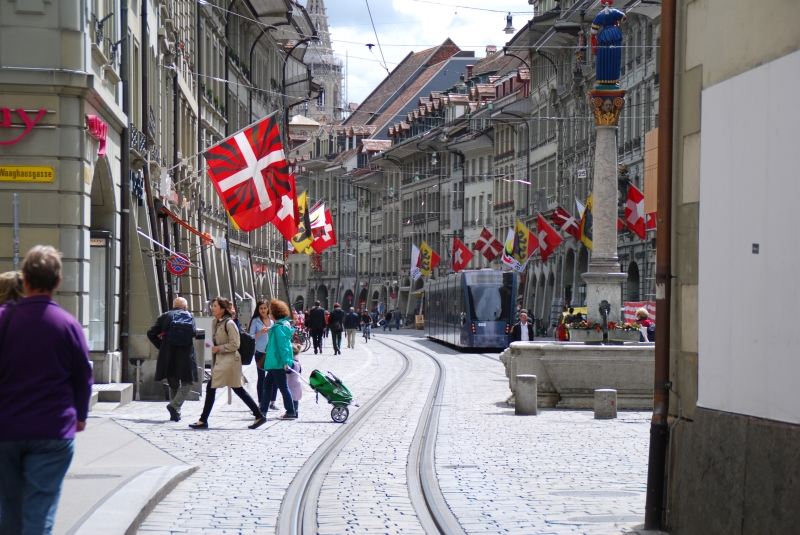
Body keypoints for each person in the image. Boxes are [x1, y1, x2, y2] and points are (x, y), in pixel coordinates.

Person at [0, 246, 93, 535]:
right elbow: (83, 376)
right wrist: (79, 415)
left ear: (25, 278)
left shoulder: (4, 319)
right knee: (38, 513)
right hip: (53, 428)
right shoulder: (68, 324)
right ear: (58, 282)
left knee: (11, 513)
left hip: (6, 429)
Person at [190, 297, 265, 430]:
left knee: (215, 387)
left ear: (223, 309)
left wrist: (218, 348)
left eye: (215, 306)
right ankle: (259, 415)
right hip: (222, 360)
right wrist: (212, 345)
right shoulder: (216, 322)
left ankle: (203, 420)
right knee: (237, 389)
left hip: (230, 361)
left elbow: (235, 344)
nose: (212, 308)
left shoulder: (229, 324)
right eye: (212, 306)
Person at [147, 296, 199, 422]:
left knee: (173, 383)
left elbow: (151, 333)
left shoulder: (165, 316)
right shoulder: (189, 316)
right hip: (186, 356)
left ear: (173, 305)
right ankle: (174, 406)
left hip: (168, 355)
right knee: (188, 382)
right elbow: (194, 333)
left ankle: (175, 412)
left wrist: (162, 346)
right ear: (185, 307)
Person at [261, 299, 297, 420]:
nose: (269, 313)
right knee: (267, 384)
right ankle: (262, 411)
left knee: (282, 387)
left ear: (274, 313)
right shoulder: (283, 325)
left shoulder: (278, 328)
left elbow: (283, 346)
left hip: (278, 362)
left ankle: (290, 411)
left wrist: (285, 362)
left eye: (270, 311)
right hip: (276, 362)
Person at [249, 299, 274, 412]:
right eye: (261, 308)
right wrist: (261, 332)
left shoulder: (272, 320)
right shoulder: (255, 321)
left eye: (265, 308)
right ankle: (261, 402)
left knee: (273, 377)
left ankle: (272, 401)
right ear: (258, 309)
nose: (263, 310)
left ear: (268, 308)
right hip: (260, 352)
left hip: (272, 352)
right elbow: (251, 336)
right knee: (261, 378)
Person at [286, 343, 303, 418]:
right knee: (296, 399)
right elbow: (300, 371)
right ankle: (296, 412)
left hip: (292, 382)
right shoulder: (298, 361)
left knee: (291, 398)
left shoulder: (291, 362)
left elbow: (289, 372)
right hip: (298, 381)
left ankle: (292, 412)